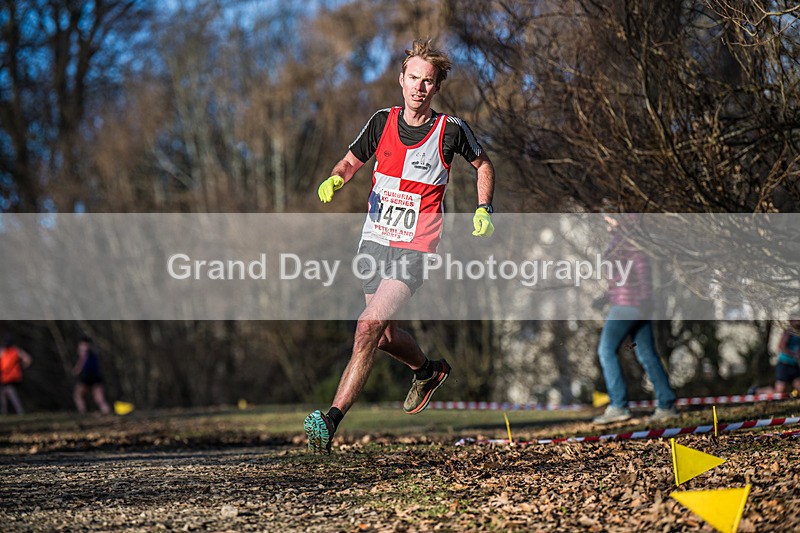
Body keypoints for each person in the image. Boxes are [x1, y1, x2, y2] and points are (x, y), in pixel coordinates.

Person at [304, 39, 496, 453]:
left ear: (436, 88)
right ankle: (427, 370)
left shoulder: (451, 130)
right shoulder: (381, 121)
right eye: (413, 78)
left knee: (367, 326)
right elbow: (351, 160)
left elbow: (483, 164)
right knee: (385, 335)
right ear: (401, 80)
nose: (419, 87)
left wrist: (485, 208)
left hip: (415, 249)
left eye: (428, 81)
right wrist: (337, 178)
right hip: (374, 241)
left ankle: (329, 422)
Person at [593, 213, 678, 424]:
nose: (606, 221)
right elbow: (622, 278)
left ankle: (618, 405)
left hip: (628, 305)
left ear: (621, 219)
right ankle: (666, 404)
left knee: (606, 350)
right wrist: (604, 297)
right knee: (647, 353)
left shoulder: (629, 242)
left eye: (610, 218)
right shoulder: (624, 241)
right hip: (634, 305)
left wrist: (643, 300)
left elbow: (642, 271)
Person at [72, 336, 111, 415]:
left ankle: (82, 412)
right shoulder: (95, 351)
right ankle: (106, 411)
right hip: (96, 375)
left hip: (87, 375)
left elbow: (83, 359)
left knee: (78, 394)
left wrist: (77, 369)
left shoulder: (84, 350)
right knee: (99, 398)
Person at [0, 336, 33, 414]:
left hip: (8, 377)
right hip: (12, 376)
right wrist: (23, 366)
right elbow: (28, 359)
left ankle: (19, 410)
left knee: (10, 393)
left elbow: (27, 359)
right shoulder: (16, 351)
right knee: (4, 393)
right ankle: (5, 411)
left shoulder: (4, 351)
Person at [774, 319, 800, 394]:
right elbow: (781, 346)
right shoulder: (788, 332)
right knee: (779, 390)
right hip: (784, 364)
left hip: (794, 364)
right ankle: (757, 391)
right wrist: (793, 354)